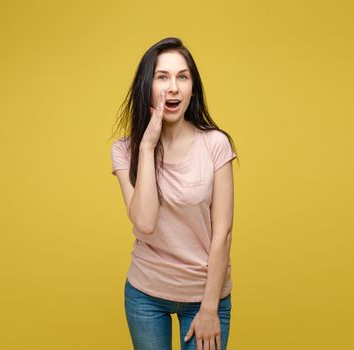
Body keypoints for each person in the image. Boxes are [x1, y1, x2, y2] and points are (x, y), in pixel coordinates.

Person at [110, 37, 239, 350]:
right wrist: (148, 145)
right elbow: (145, 224)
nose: (173, 87)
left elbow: (222, 233)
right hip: (145, 294)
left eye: (183, 76)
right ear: (147, 86)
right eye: (162, 77)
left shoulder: (215, 145)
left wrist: (209, 307)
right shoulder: (125, 150)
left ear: (192, 87)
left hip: (205, 294)